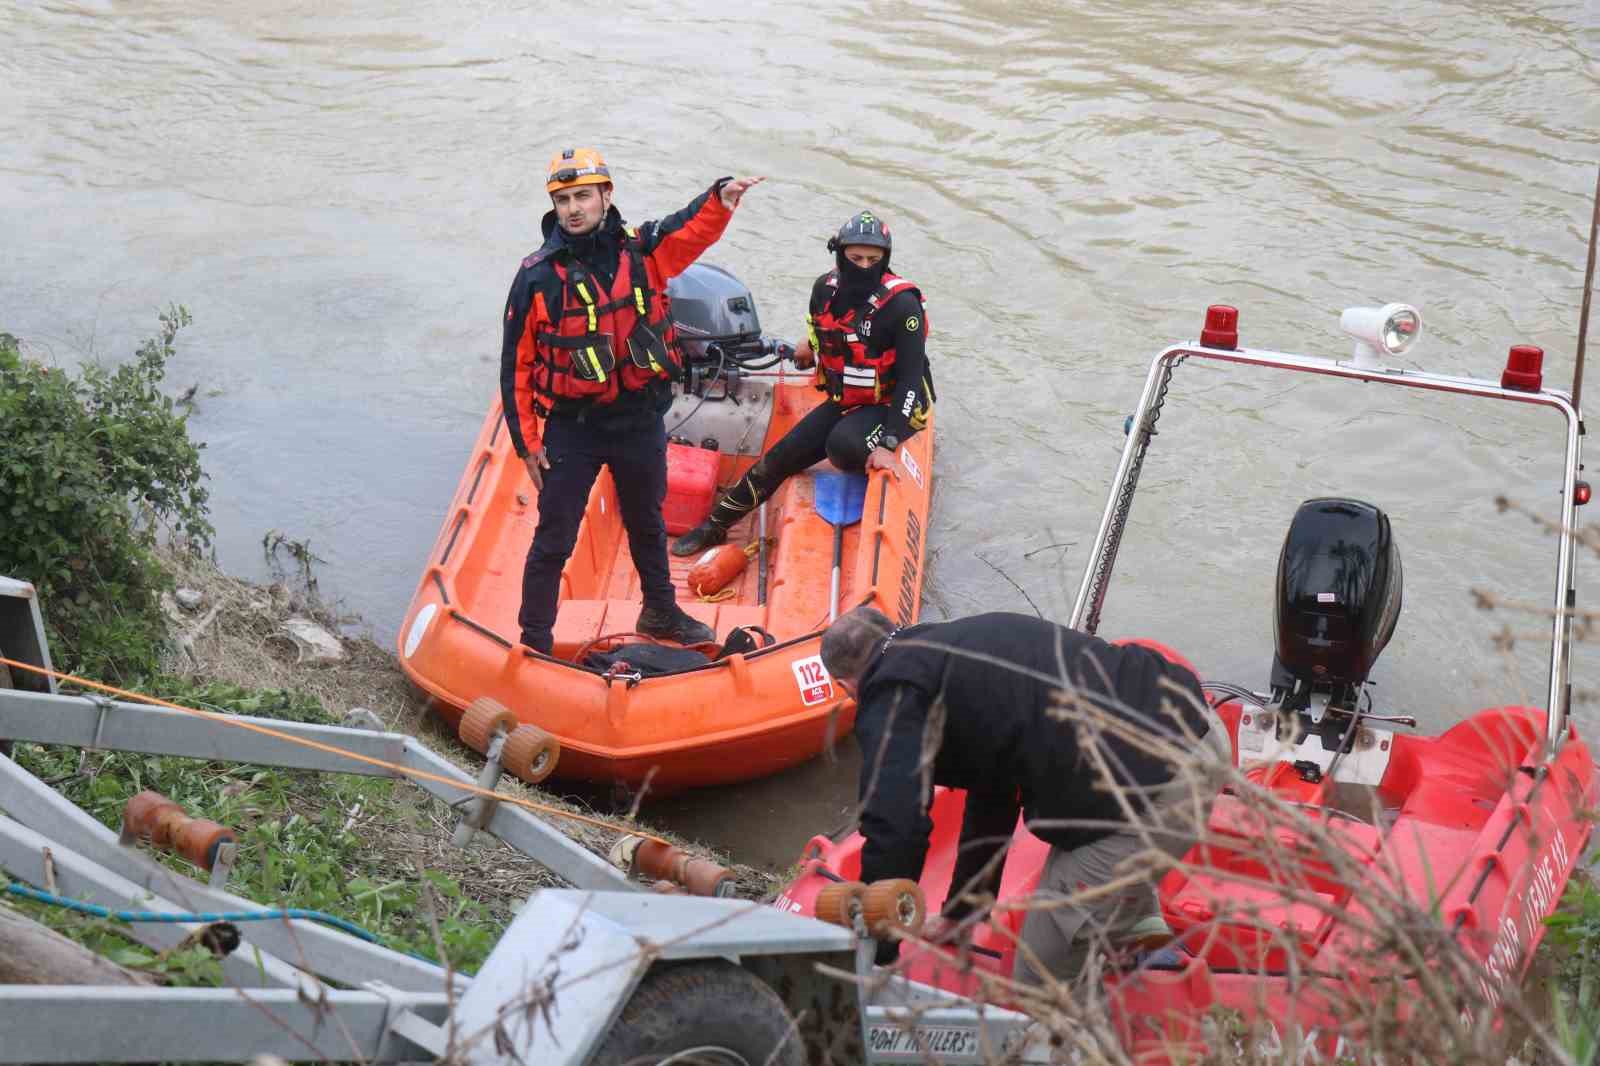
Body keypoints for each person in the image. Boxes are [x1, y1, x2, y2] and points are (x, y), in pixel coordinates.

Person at [818, 606, 1231, 980]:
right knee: (1091, 847)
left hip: (1156, 786)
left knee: (1038, 976)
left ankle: (1082, 1040)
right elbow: (992, 790)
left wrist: (877, 945)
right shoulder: (950, 650)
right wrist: (966, 911)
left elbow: (895, 825)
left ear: (845, 685)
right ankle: (1141, 935)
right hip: (1201, 730)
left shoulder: (892, 692)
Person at [501, 147, 765, 654]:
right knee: (554, 539)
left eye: (583, 196)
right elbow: (515, 366)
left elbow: (688, 229)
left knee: (647, 520)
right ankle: (534, 639)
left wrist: (721, 198)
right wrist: (527, 444)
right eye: (563, 200)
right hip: (572, 427)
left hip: (639, 417)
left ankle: (660, 612)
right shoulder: (536, 277)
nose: (574, 208)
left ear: (606, 195)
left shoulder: (643, 251)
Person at [670, 210, 934, 556]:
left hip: (896, 405)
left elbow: (912, 378)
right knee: (778, 458)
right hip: (848, 398)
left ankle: (868, 441)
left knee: (843, 446)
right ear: (840, 255)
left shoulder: (903, 306)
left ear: (886, 259)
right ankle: (715, 525)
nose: (865, 266)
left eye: (874, 259)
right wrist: (809, 346)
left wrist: (888, 442)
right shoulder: (824, 289)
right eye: (855, 258)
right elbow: (818, 326)